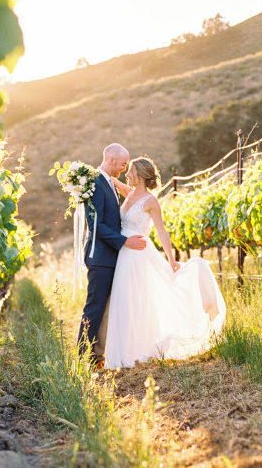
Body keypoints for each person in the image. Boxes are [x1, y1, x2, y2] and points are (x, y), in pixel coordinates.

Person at [104, 157, 226, 369]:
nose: (127, 175)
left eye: (130, 171)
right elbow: (112, 180)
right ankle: (123, 353)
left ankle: (138, 350)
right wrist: (94, 174)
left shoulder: (151, 201)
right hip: (125, 252)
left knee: (138, 299)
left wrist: (171, 259)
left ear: (140, 174)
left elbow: (161, 231)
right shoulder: (129, 193)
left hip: (139, 254)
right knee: (124, 298)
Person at [78, 143, 146, 368]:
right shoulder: (96, 183)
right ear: (111, 160)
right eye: (123, 164)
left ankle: (97, 356)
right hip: (100, 257)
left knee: (106, 309)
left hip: (111, 257)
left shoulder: (108, 182)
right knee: (95, 307)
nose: (124, 169)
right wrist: (125, 241)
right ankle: (82, 359)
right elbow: (95, 223)